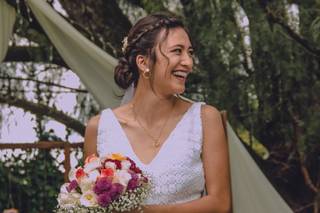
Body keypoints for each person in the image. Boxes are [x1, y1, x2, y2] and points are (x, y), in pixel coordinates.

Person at [84, 13, 231, 213]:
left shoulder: (205, 118)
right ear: (143, 62)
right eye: (177, 51)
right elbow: (90, 203)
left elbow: (220, 203)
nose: (188, 62)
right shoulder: (99, 128)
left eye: (190, 52)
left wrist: (147, 212)